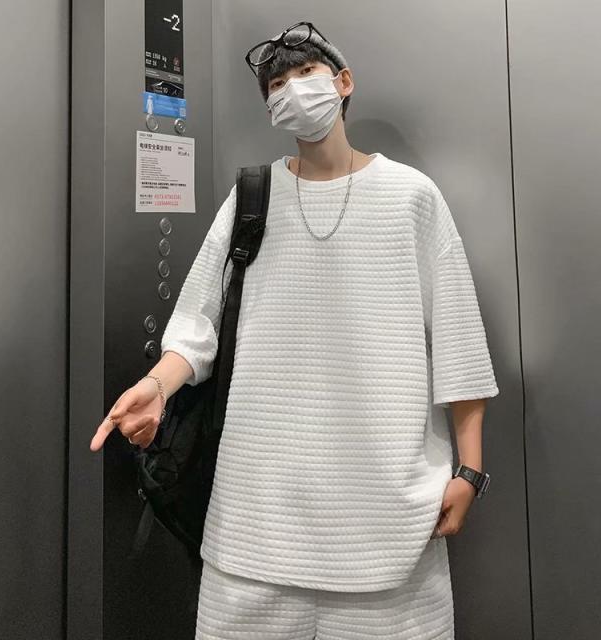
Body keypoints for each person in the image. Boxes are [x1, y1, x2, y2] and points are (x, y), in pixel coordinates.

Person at [90, 21, 500, 640]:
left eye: (305, 73)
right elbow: (197, 327)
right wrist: (157, 385)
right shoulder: (251, 198)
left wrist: (469, 471)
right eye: (276, 84)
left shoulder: (412, 197)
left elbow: (458, 343)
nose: (292, 89)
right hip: (252, 537)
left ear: (343, 82)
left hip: (388, 537)